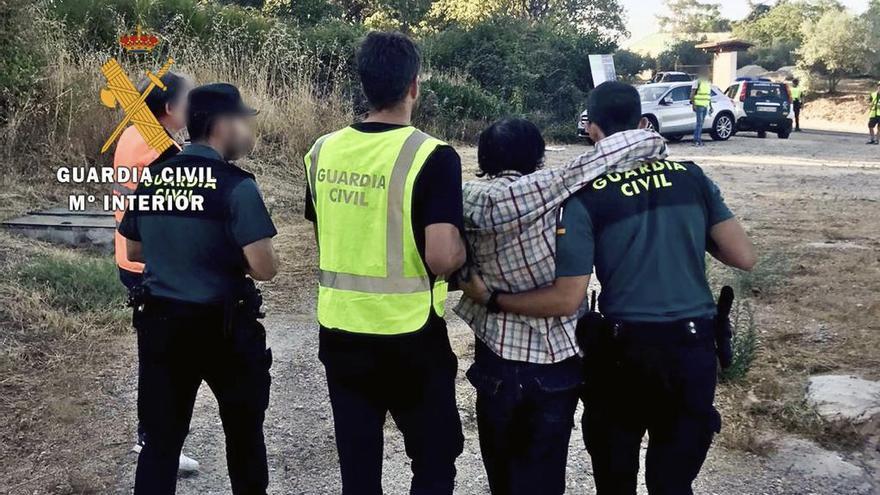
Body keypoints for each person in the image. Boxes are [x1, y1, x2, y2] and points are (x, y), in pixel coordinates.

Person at [462, 81, 757, 495]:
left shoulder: (587, 197)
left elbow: (566, 294)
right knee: (672, 482)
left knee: (614, 479)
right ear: (640, 123)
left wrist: (490, 297)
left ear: (593, 130)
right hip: (693, 351)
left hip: (625, 356)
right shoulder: (692, 178)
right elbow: (743, 256)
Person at [456, 117, 666, 495]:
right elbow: (634, 147)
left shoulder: (465, 197)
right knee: (546, 475)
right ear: (537, 156)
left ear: (484, 156)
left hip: (496, 360)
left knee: (501, 476)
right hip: (555, 362)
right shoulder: (551, 187)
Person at [303, 31, 466, 495]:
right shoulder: (432, 156)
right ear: (414, 85)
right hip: (410, 334)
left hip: (340, 330)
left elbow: (328, 232)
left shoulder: (321, 151)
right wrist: (460, 254)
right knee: (435, 457)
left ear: (365, 84)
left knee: (358, 465)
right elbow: (440, 257)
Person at [118, 83, 279, 495]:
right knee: (243, 438)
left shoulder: (157, 175)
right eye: (244, 121)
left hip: (162, 328)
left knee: (160, 445)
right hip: (223, 331)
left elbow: (135, 247)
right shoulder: (237, 186)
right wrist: (224, 251)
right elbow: (265, 268)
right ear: (222, 125)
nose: (247, 131)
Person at [110, 71, 199, 472]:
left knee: (155, 352)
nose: (192, 109)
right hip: (151, 262)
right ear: (168, 108)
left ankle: (152, 436)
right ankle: (156, 440)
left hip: (129, 256)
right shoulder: (159, 147)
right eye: (188, 101)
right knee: (164, 357)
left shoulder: (133, 132)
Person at [690, 71, 712, 146]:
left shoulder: (707, 83)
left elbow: (708, 95)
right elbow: (692, 94)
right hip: (699, 105)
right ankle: (697, 140)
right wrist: (693, 104)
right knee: (699, 123)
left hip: (705, 105)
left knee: (701, 124)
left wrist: (710, 106)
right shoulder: (697, 82)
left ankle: (698, 139)